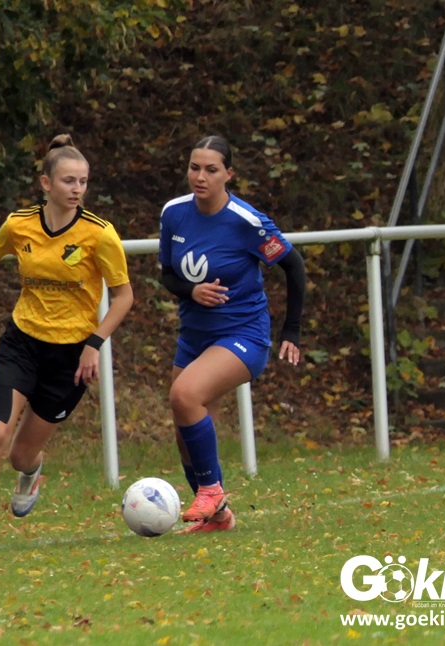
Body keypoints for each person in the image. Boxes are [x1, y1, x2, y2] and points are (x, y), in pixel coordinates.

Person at [0, 134, 134, 552]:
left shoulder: (100, 234)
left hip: (70, 358)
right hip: (22, 344)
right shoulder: (19, 224)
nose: (77, 189)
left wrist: (94, 343)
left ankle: (31, 472)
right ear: (46, 183)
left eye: (83, 181)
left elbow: (124, 297)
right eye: (68, 181)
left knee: (20, 455)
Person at [158, 135, 306, 534]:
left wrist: (292, 330)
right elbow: (168, 274)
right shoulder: (174, 213)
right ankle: (218, 517)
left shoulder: (246, 221)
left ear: (229, 174)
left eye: (211, 170)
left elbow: (294, 266)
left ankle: (210, 491)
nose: (200, 177)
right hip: (194, 336)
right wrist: (191, 291)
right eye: (194, 167)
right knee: (184, 429)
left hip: (244, 335)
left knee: (184, 395)